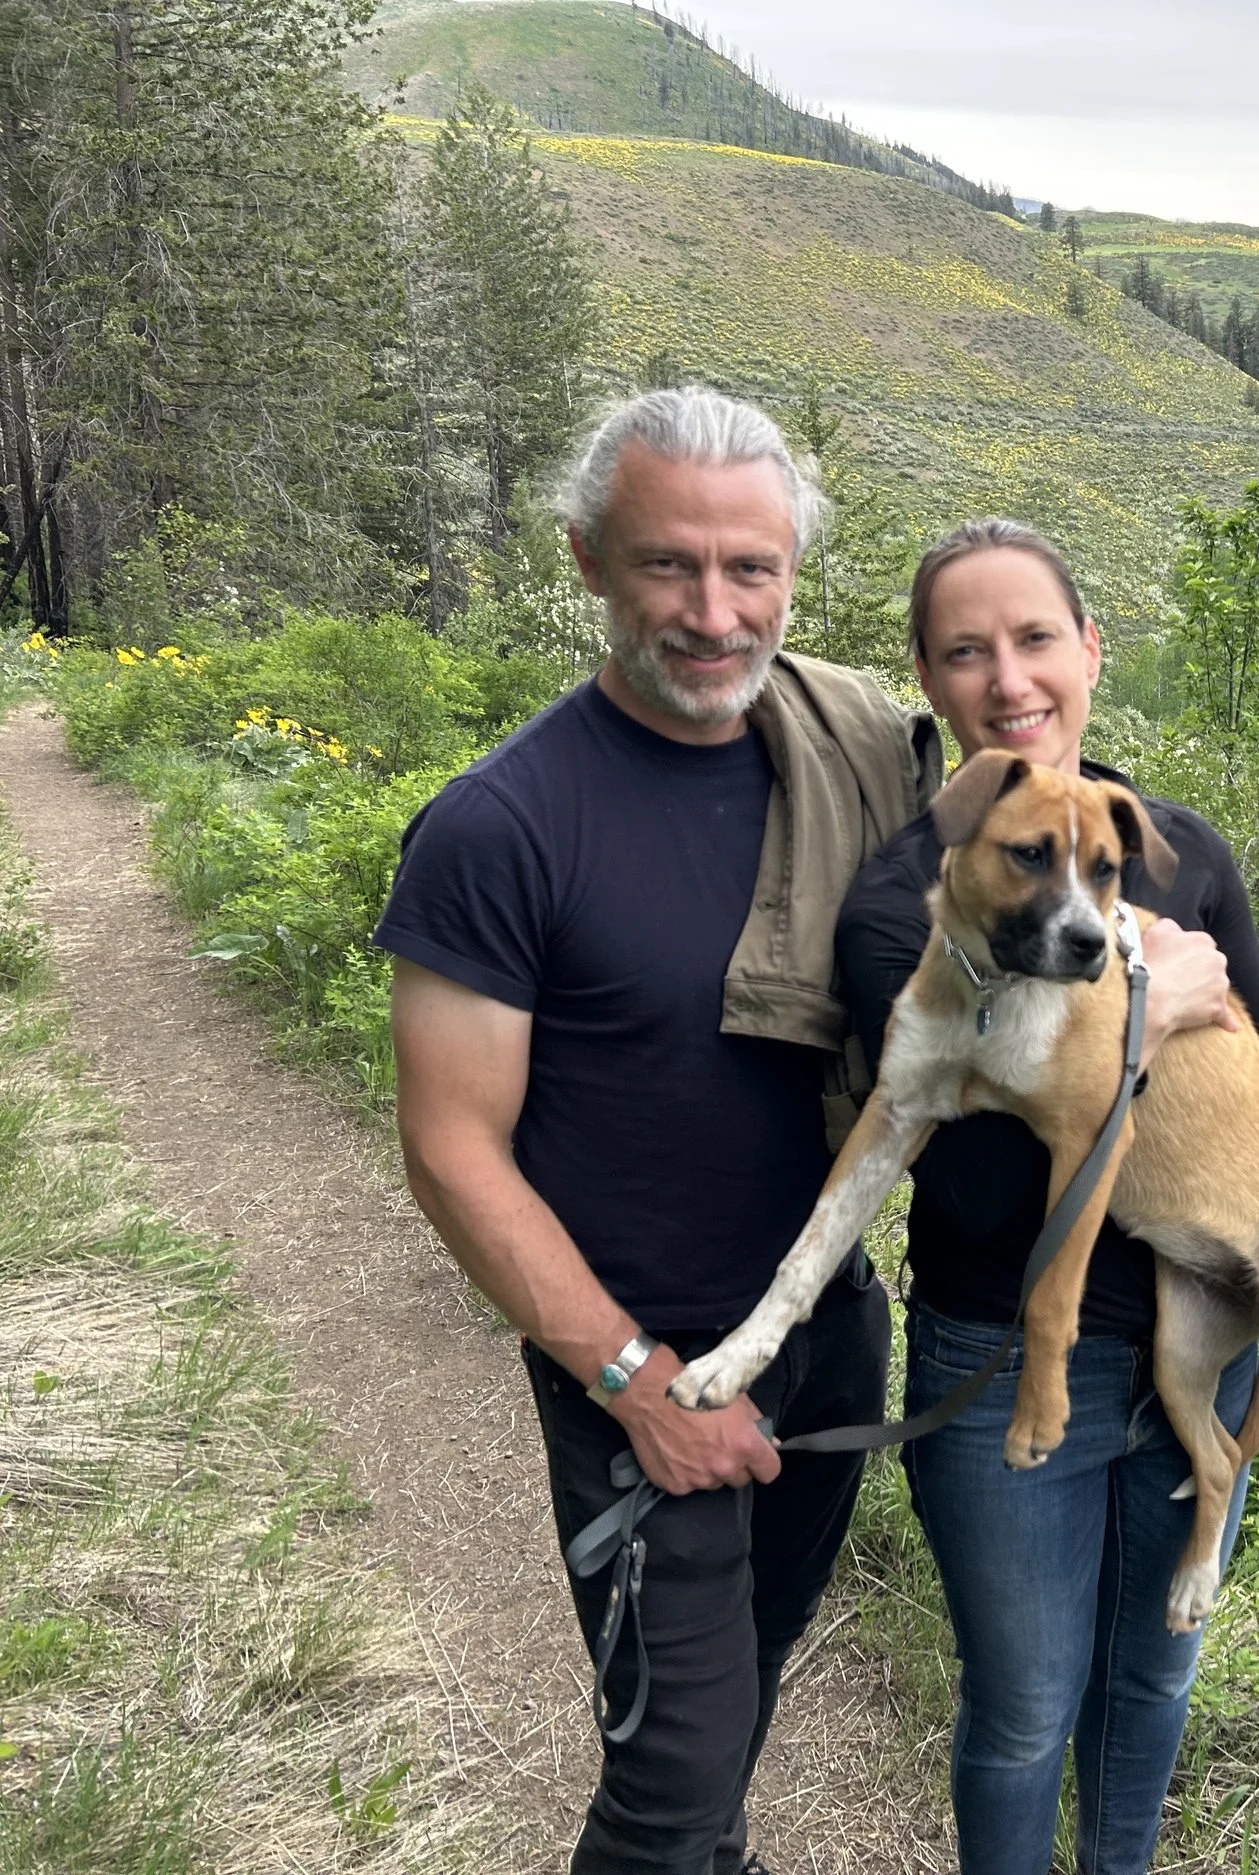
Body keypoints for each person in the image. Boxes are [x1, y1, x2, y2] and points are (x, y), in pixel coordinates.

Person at [376, 386, 939, 1875]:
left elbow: (1039, 848)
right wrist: (634, 1381)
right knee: (672, 1767)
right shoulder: (499, 826)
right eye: (666, 564)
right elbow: (449, 1148)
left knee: (736, 1686)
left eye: (750, 567)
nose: (712, 610)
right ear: (586, 560)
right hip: (641, 1361)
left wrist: (1176, 961)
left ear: (793, 576)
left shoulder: (859, 754)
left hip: (821, 1327)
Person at [837, 518, 1259, 1875]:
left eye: (1036, 636)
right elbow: (969, 1188)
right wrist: (1140, 1023)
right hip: (1000, 1351)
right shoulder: (899, 907)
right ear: (926, 676)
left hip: (1189, 1329)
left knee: (1152, 1689)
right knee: (1026, 1712)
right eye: (966, 650)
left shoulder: (1177, 851)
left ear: (1091, 648)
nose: (1008, 674)